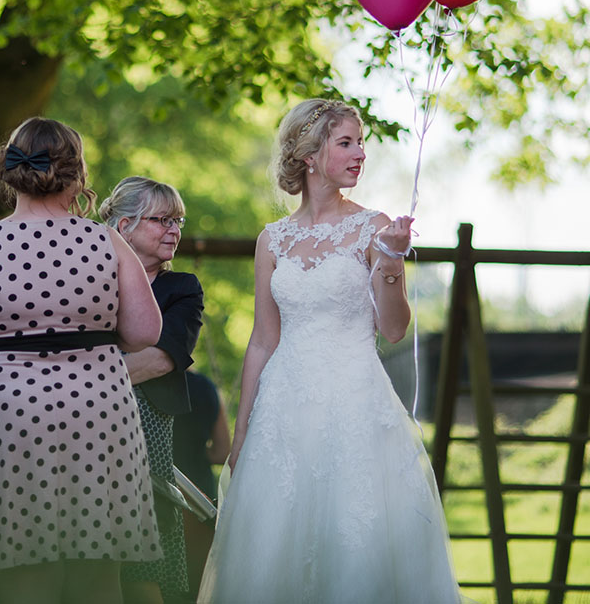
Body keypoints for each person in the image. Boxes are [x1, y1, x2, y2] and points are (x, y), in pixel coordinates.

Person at [197, 99, 466, 604]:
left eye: (361, 142)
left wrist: (390, 260)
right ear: (308, 154)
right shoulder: (272, 239)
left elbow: (392, 328)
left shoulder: (374, 226)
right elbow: (262, 339)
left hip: (355, 405)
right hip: (284, 410)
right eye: (347, 142)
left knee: (354, 543)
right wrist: (242, 430)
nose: (360, 153)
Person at [0, 117, 164, 604]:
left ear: (10, 169)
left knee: (22, 568)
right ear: (77, 173)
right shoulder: (108, 242)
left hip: (11, 414)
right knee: (98, 571)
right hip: (96, 409)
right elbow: (147, 332)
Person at [100, 176, 205, 604]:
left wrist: (86, 378)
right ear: (124, 226)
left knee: (145, 564)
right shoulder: (86, 276)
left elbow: (163, 357)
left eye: (177, 221)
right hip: (80, 423)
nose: (174, 231)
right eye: (162, 220)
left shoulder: (182, 288)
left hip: (147, 428)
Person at [172, 370, 229, 595]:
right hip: (199, 496)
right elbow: (221, 451)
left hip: (162, 489)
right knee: (196, 582)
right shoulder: (207, 388)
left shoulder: (145, 382)